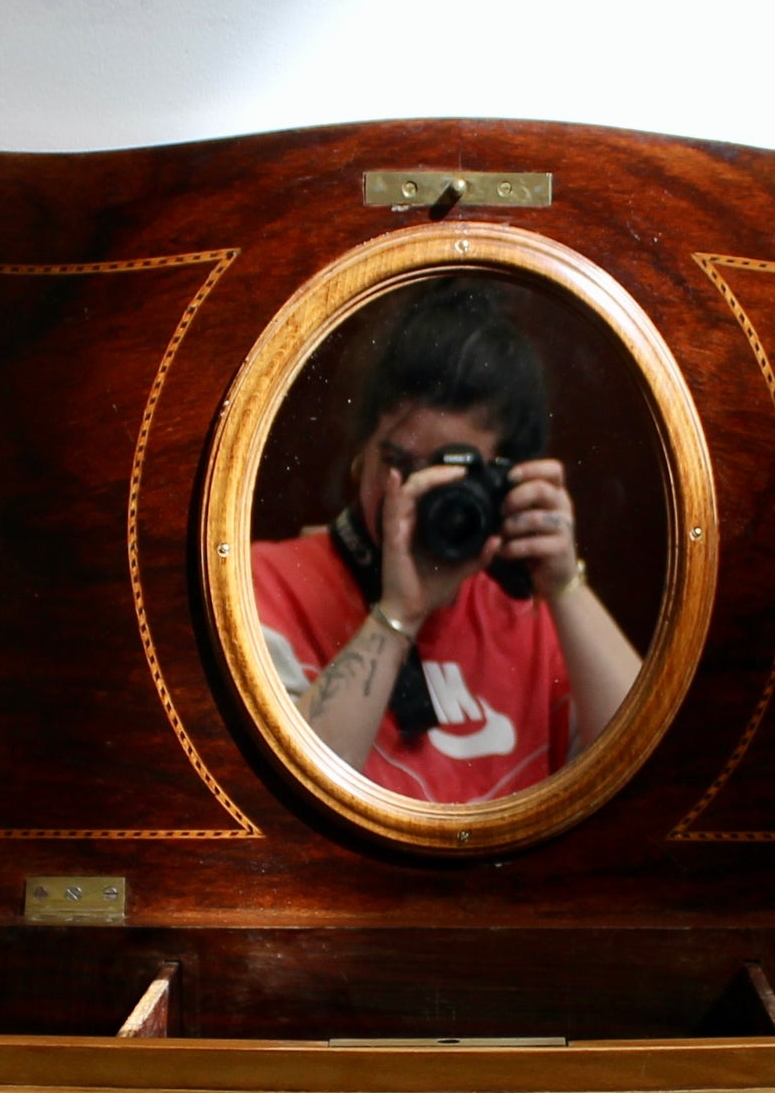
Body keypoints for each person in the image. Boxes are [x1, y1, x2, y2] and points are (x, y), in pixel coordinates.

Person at [249, 278, 647, 803]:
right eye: (398, 464)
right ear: (360, 455)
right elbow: (288, 799)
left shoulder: (528, 613)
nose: (415, 493)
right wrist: (399, 614)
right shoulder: (270, 585)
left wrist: (564, 584)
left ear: (504, 479)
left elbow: (645, 767)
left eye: (448, 471)